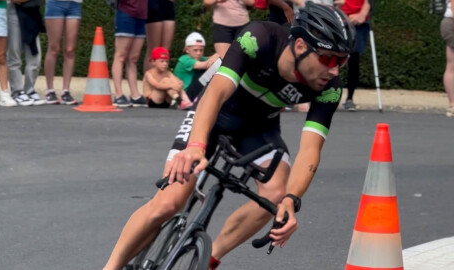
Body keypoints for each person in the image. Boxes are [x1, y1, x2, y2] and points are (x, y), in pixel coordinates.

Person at [103, 3, 355, 270]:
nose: (335, 71)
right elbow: (216, 92)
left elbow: (310, 150)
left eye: (342, 61)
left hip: (259, 128)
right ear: (302, 46)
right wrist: (196, 147)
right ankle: (111, 267)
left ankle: (209, 259)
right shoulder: (259, 38)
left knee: (277, 194)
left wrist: (292, 200)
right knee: (168, 203)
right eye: (329, 59)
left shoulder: (329, 89)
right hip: (214, 114)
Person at [43, 0, 82, 105]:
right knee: (54, 48)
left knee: (70, 49)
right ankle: (50, 90)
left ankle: (66, 91)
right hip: (55, 3)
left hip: (75, 4)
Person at [7, 0, 46, 106]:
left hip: (32, 12)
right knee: (14, 53)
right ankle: (17, 91)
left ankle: (30, 90)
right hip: (14, 12)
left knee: (35, 57)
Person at [111, 0, 148, 108]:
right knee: (121, 55)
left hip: (141, 15)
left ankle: (135, 95)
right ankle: (118, 95)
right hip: (126, 12)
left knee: (133, 58)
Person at [341, 0, 371, 111]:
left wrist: (362, 15)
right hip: (338, 19)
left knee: (354, 59)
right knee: (330, 57)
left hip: (359, 23)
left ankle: (349, 98)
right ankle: (327, 95)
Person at [173, 32, 220, 102]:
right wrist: (219, 54)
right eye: (195, 50)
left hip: (192, 91)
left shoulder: (200, 59)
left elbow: (210, 59)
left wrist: (218, 57)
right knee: (206, 71)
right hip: (185, 93)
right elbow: (205, 64)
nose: (198, 53)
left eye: (201, 50)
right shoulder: (184, 59)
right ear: (187, 50)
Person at [142, 0, 176, 72]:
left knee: (165, 52)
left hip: (168, 5)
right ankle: (149, 81)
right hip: (153, 3)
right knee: (153, 50)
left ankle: (161, 80)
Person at [441, 0, 454, 117]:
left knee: (451, 65)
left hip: (449, 22)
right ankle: (453, 104)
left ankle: (452, 105)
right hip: (452, 22)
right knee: (451, 66)